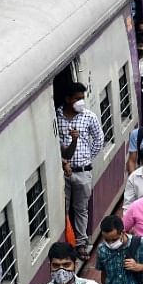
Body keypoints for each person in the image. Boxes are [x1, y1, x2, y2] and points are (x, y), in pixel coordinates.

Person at [58, 82, 106, 256]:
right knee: (63, 209)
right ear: (68, 99)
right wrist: (63, 162)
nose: (81, 102)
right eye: (77, 98)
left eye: (82, 98)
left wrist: (86, 159)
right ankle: (67, 243)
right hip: (63, 172)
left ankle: (80, 243)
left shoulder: (89, 116)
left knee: (80, 209)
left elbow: (99, 139)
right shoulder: (57, 117)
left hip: (83, 171)